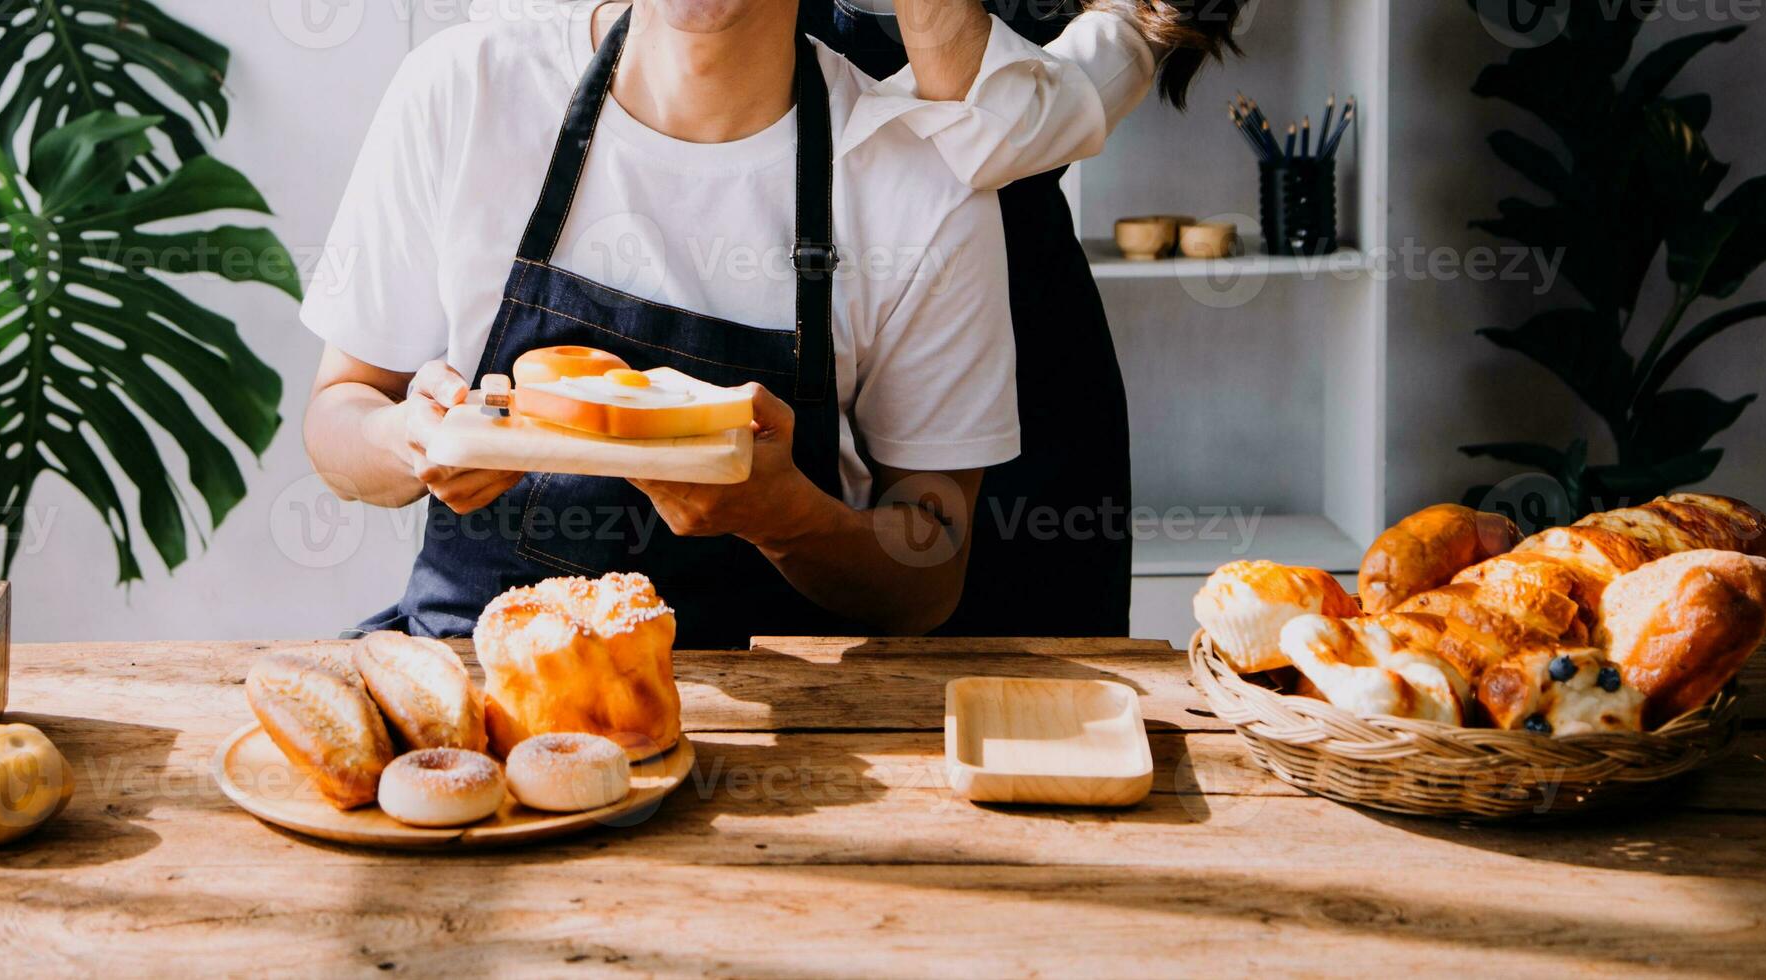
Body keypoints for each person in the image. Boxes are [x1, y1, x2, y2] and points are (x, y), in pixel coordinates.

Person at [301, 0, 1162, 644]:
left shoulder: (923, 185)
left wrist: (784, 515)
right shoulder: (465, 87)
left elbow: (929, 572)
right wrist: (408, 442)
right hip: (479, 683)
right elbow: (339, 414)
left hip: (788, 738)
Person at [803, 0, 1247, 637]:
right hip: (799, 330)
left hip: (1018, 369)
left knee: (1043, 695)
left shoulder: (1131, 14)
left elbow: (991, 132)